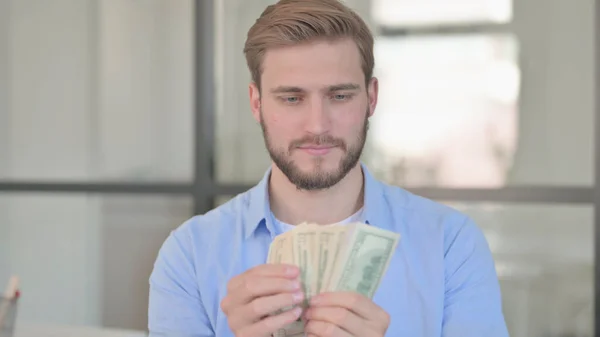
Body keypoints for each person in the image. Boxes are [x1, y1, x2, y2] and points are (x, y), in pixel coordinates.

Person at [148, 0, 509, 336]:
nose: (317, 125)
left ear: (372, 98)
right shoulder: (190, 255)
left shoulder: (450, 246)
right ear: (256, 103)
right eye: (292, 98)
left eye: (339, 96)